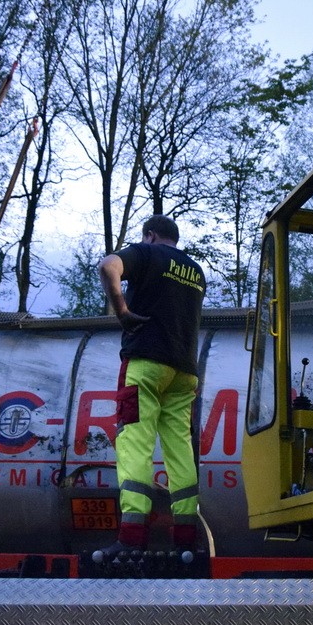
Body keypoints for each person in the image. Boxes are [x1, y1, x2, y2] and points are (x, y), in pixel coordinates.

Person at [94, 214, 206, 562]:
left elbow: (108, 266)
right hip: (184, 371)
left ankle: (131, 537)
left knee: (135, 442)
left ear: (151, 235)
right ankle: (186, 537)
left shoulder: (146, 253)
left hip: (145, 364)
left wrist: (121, 309)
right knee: (179, 449)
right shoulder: (196, 272)